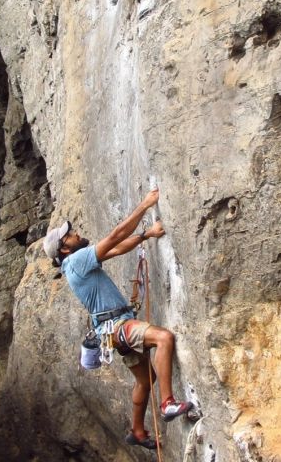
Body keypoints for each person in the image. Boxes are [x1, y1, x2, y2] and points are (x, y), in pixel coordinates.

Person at [43, 188, 193, 450]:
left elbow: (115, 249)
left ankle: (136, 431)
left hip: (109, 332)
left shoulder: (75, 264)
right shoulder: (77, 260)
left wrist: (146, 234)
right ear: (64, 248)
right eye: (70, 235)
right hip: (118, 326)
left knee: (146, 380)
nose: (76, 234)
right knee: (163, 337)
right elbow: (114, 236)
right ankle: (168, 402)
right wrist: (144, 205)